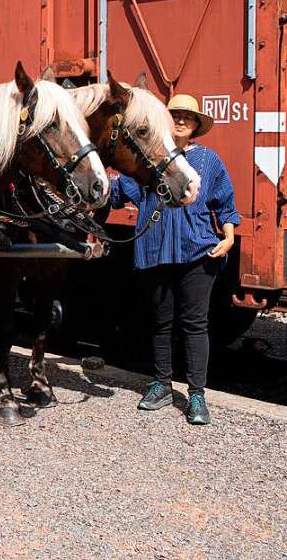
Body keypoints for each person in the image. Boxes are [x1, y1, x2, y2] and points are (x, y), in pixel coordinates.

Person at [110, 94, 239, 426]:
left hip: (198, 252)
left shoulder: (209, 160)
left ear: (196, 125)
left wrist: (228, 236)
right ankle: (162, 385)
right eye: (175, 115)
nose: (181, 120)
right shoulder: (147, 159)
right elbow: (116, 194)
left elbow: (224, 202)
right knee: (160, 323)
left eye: (188, 117)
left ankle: (196, 395)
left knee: (195, 324)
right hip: (154, 251)